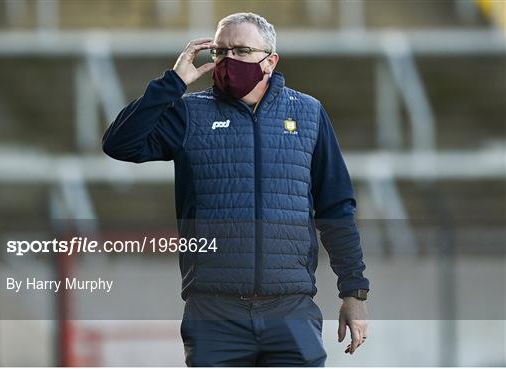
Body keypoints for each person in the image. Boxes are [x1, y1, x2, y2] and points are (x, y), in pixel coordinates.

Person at [102, 12, 370, 367]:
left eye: (242, 50)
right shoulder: (188, 114)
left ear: (270, 61)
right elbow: (120, 144)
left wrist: (353, 292)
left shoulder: (308, 113)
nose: (229, 60)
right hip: (214, 312)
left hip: (290, 307)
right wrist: (172, 83)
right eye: (220, 52)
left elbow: (336, 208)